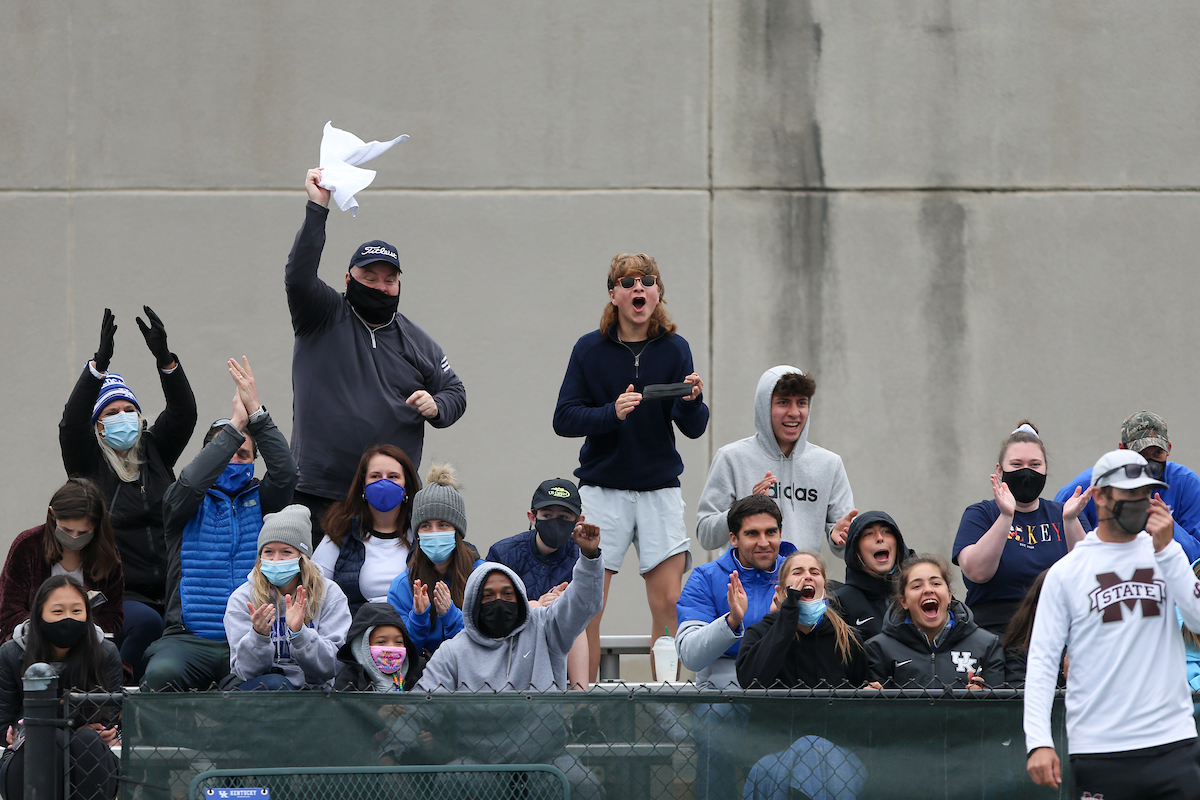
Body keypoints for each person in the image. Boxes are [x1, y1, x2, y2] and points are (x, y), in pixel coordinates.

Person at [286, 169, 466, 540]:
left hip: (388, 503)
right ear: (349, 279)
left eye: (389, 280)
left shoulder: (418, 341)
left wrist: (437, 405)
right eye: (370, 278)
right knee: (310, 594)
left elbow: (455, 392)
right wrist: (317, 208)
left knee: (383, 595)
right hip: (316, 492)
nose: (381, 287)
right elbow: (298, 275)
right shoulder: (321, 314)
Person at [553, 252, 709, 679]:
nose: (638, 288)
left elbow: (693, 428)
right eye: (628, 282)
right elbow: (563, 418)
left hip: (659, 490)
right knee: (588, 605)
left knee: (669, 606)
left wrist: (693, 403)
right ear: (613, 295)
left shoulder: (676, 349)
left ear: (658, 293)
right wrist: (611, 413)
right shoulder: (590, 349)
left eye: (647, 280)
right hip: (602, 490)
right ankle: (582, 711)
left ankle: (669, 714)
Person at [1025, 449, 1200, 797]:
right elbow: (1043, 659)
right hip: (1099, 748)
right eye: (1129, 494)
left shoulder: (1167, 552)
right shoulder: (1067, 572)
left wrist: (1168, 553)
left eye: (1145, 493)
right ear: (1100, 495)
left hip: (1173, 743)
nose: (1140, 502)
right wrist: (1038, 740)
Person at [391, 525, 604, 800]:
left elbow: (582, 604)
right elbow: (420, 707)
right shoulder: (453, 652)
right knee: (451, 778)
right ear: (473, 603)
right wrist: (390, 754)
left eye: (507, 594)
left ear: (520, 597)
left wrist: (589, 557)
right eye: (488, 596)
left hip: (547, 764)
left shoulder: (545, 628)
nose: (498, 601)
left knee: (583, 784)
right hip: (477, 768)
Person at [141, 357, 298, 691]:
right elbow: (192, 481)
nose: (234, 459)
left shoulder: (262, 500)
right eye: (225, 450)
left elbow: (286, 473)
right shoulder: (182, 500)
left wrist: (255, 413)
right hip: (189, 642)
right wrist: (234, 426)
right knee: (159, 674)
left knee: (276, 687)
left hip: (250, 637)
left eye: (244, 454)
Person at [59, 306, 197, 679]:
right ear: (99, 426)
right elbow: (72, 424)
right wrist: (97, 367)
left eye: (129, 409)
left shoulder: (154, 449)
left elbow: (184, 413)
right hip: (120, 594)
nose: (123, 417)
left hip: (174, 588)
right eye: (112, 412)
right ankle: (119, 698)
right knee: (146, 624)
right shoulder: (88, 464)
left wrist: (165, 360)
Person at [676, 495, 794, 800]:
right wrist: (731, 621)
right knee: (715, 716)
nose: (764, 542)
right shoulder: (705, 577)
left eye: (771, 532)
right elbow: (690, 654)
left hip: (789, 691)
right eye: (752, 533)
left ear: (781, 533)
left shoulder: (796, 573)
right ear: (733, 538)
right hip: (725, 696)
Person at [696, 366, 855, 557]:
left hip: (801, 582)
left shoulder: (829, 464)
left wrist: (843, 538)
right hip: (745, 583)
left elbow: (843, 543)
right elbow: (705, 536)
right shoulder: (731, 457)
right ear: (764, 407)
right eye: (783, 402)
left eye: (802, 403)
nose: (794, 413)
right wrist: (743, 509)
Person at [951, 421, 1090, 636]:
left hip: (1056, 629)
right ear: (999, 470)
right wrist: (1007, 515)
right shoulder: (981, 513)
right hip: (993, 635)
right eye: (1016, 464)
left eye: (1035, 465)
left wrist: (1071, 522)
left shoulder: (1067, 513)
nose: (1026, 472)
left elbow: (1090, 575)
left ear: (1045, 469)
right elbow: (976, 572)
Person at [0, 576, 123, 800]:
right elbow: (3, 721)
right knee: (47, 738)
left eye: (77, 611)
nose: (68, 619)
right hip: (29, 755)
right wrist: (12, 734)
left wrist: (104, 733)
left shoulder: (105, 653)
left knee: (87, 741)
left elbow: (108, 720)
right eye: (58, 611)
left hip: (91, 755)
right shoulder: (11, 653)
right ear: (39, 615)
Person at [224, 506, 351, 690]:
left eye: (286, 552)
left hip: (315, 695)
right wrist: (258, 637)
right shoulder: (243, 599)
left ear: (302, 557)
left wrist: (300, 634)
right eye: (268, 552)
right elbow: (244, 672)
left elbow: (332, 667)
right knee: (277, 684)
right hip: (262, 694)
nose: (276, 560)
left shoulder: (330, 594)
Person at [485, 478, 590, 688]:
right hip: (510, 640)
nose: (555, 522)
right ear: (532, 517)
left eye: (564, 517)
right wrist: (534, 607)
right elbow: (487, 608)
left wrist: (563, 604)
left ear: (579, 521)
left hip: (559, 639)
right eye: (547, 515)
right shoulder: (503, 553)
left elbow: (589, 607)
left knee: (575, 618)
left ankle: (581, 700)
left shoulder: (583, 557)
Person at [1055, 411, 1200, 561]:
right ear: (1122, 449)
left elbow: (1197, 559)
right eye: (1141, 454)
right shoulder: (1087, 487)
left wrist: (1170, 527)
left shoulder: (1185, 482)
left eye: (1157, 453)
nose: (1149, 463)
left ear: (1168, 449)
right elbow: (1059, 550)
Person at [0, 478, 123, 641]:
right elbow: (8, 611)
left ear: (97, 527)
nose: (73, 538)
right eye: (66, 529)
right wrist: (46, 628)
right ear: (52, 515)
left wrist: (79, 630)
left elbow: (114, 617)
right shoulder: (27, 546)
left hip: (87, 645)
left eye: (83, 533)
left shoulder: (107, 554)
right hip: (32, 641)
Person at [863, 554, 1004, 689]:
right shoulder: (878, 649)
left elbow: (999, 707)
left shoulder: (987, 645)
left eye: (936, 583)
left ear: (949, 595)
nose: (928, 590)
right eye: (917, 586)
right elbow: (875, 708)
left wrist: (981, 698)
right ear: (904, 601)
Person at [386, 465, 483, 657]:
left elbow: (484, 641)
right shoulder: (403, 585)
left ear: (458, 530)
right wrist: (419, 617)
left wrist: (450, 615)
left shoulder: (481, 577)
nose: (435, 533)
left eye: (443, 525)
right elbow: (402, 651)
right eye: (426, 526)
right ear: (417, 533)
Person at [315, 444, 421, 618]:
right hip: (355, 636)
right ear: (363, 487)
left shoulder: (422, 534)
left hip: (414, 636)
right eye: (375, 476)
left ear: (407, 487)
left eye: (393, 476)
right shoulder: (340, 532)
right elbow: (313, 588)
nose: (384, 483)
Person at [736, 551, 868, 690]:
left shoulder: (846, 638)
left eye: (814, 573)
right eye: (797, 573)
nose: (807, 577)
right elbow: (750, 681)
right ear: (781, 592)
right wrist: (788, 615)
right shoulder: (759, 632)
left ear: (823, 589)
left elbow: (860, 687)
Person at [833, 511, 911, 640]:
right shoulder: (840, 602)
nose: (880, 538)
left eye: (886, 531)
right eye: (868, 534)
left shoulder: (921, 591)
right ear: (856, 551)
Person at [334, 602, 423, 692]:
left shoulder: (418, 670)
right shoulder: (349, 678)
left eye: (398, 642)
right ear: (363, 646)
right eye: (381, 642)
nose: (391, 647)